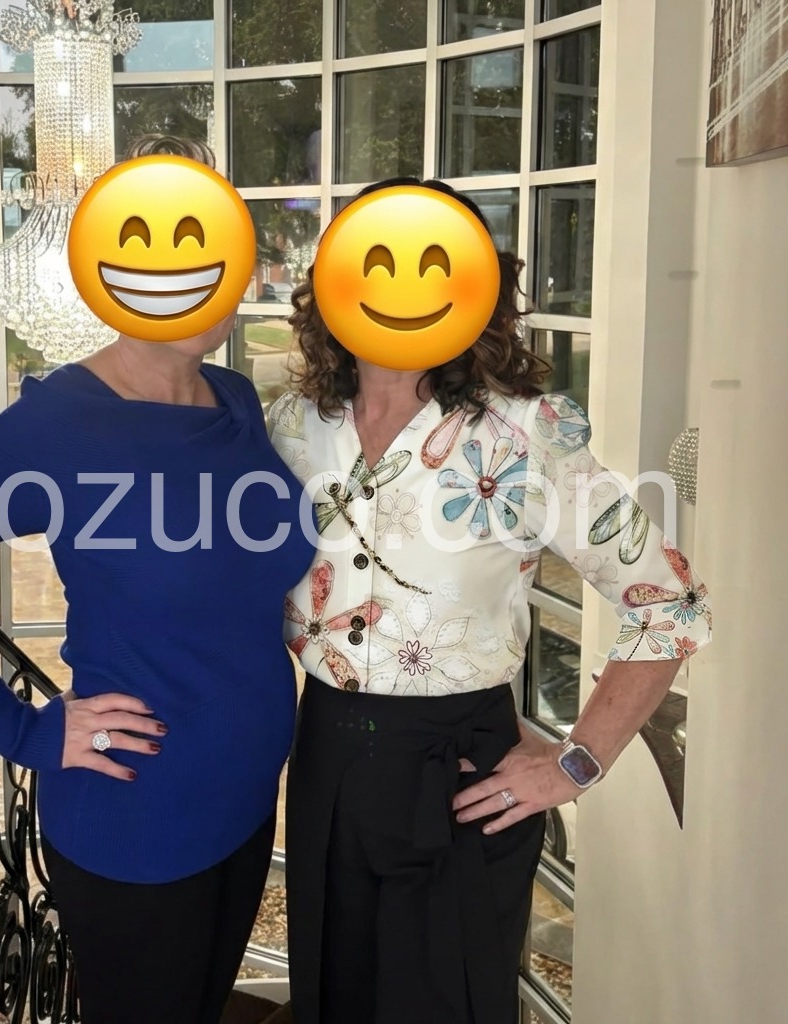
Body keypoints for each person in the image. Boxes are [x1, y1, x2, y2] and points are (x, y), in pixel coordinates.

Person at [0, 135, 315, 1024]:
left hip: (251, 798)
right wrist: (24, 730)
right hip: (136, 816)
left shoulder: (238, 403)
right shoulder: (56, 426)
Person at [270, 176, 713, 1024]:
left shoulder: (522, 434)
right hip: (325, 754)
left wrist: (578, 760)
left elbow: (672, 604)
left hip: (464, 773)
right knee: (333, 1000)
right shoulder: (294, 425)